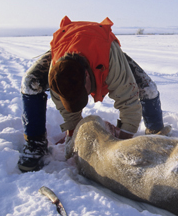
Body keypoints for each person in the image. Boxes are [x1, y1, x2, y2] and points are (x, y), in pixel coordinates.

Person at [18, 16, 170, 172]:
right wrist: (74, 134)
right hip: (66, 43)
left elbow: (129, 102)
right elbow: (67, 111)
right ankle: (35, 142)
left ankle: (156, 133)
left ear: (87, 77)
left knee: (148, 88)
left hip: (101, 44)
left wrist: (120, 144)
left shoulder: (111, 62)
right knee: (30, 84)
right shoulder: (56, 77)